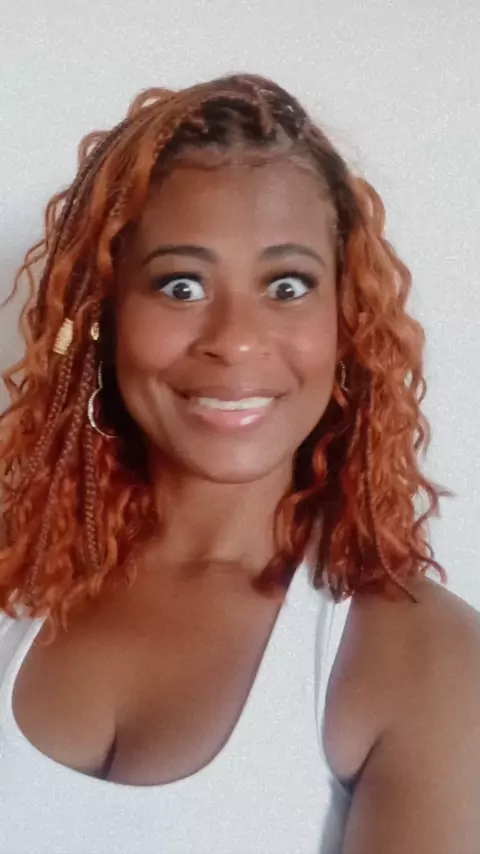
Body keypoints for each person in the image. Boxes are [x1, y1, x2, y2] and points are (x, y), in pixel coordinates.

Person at [0, 73, 478, 854]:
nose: (235, 338)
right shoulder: (13, 586)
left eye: (286, 286)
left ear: (346, 322)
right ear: (102, 317)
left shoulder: (423, 658)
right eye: (181, 285)